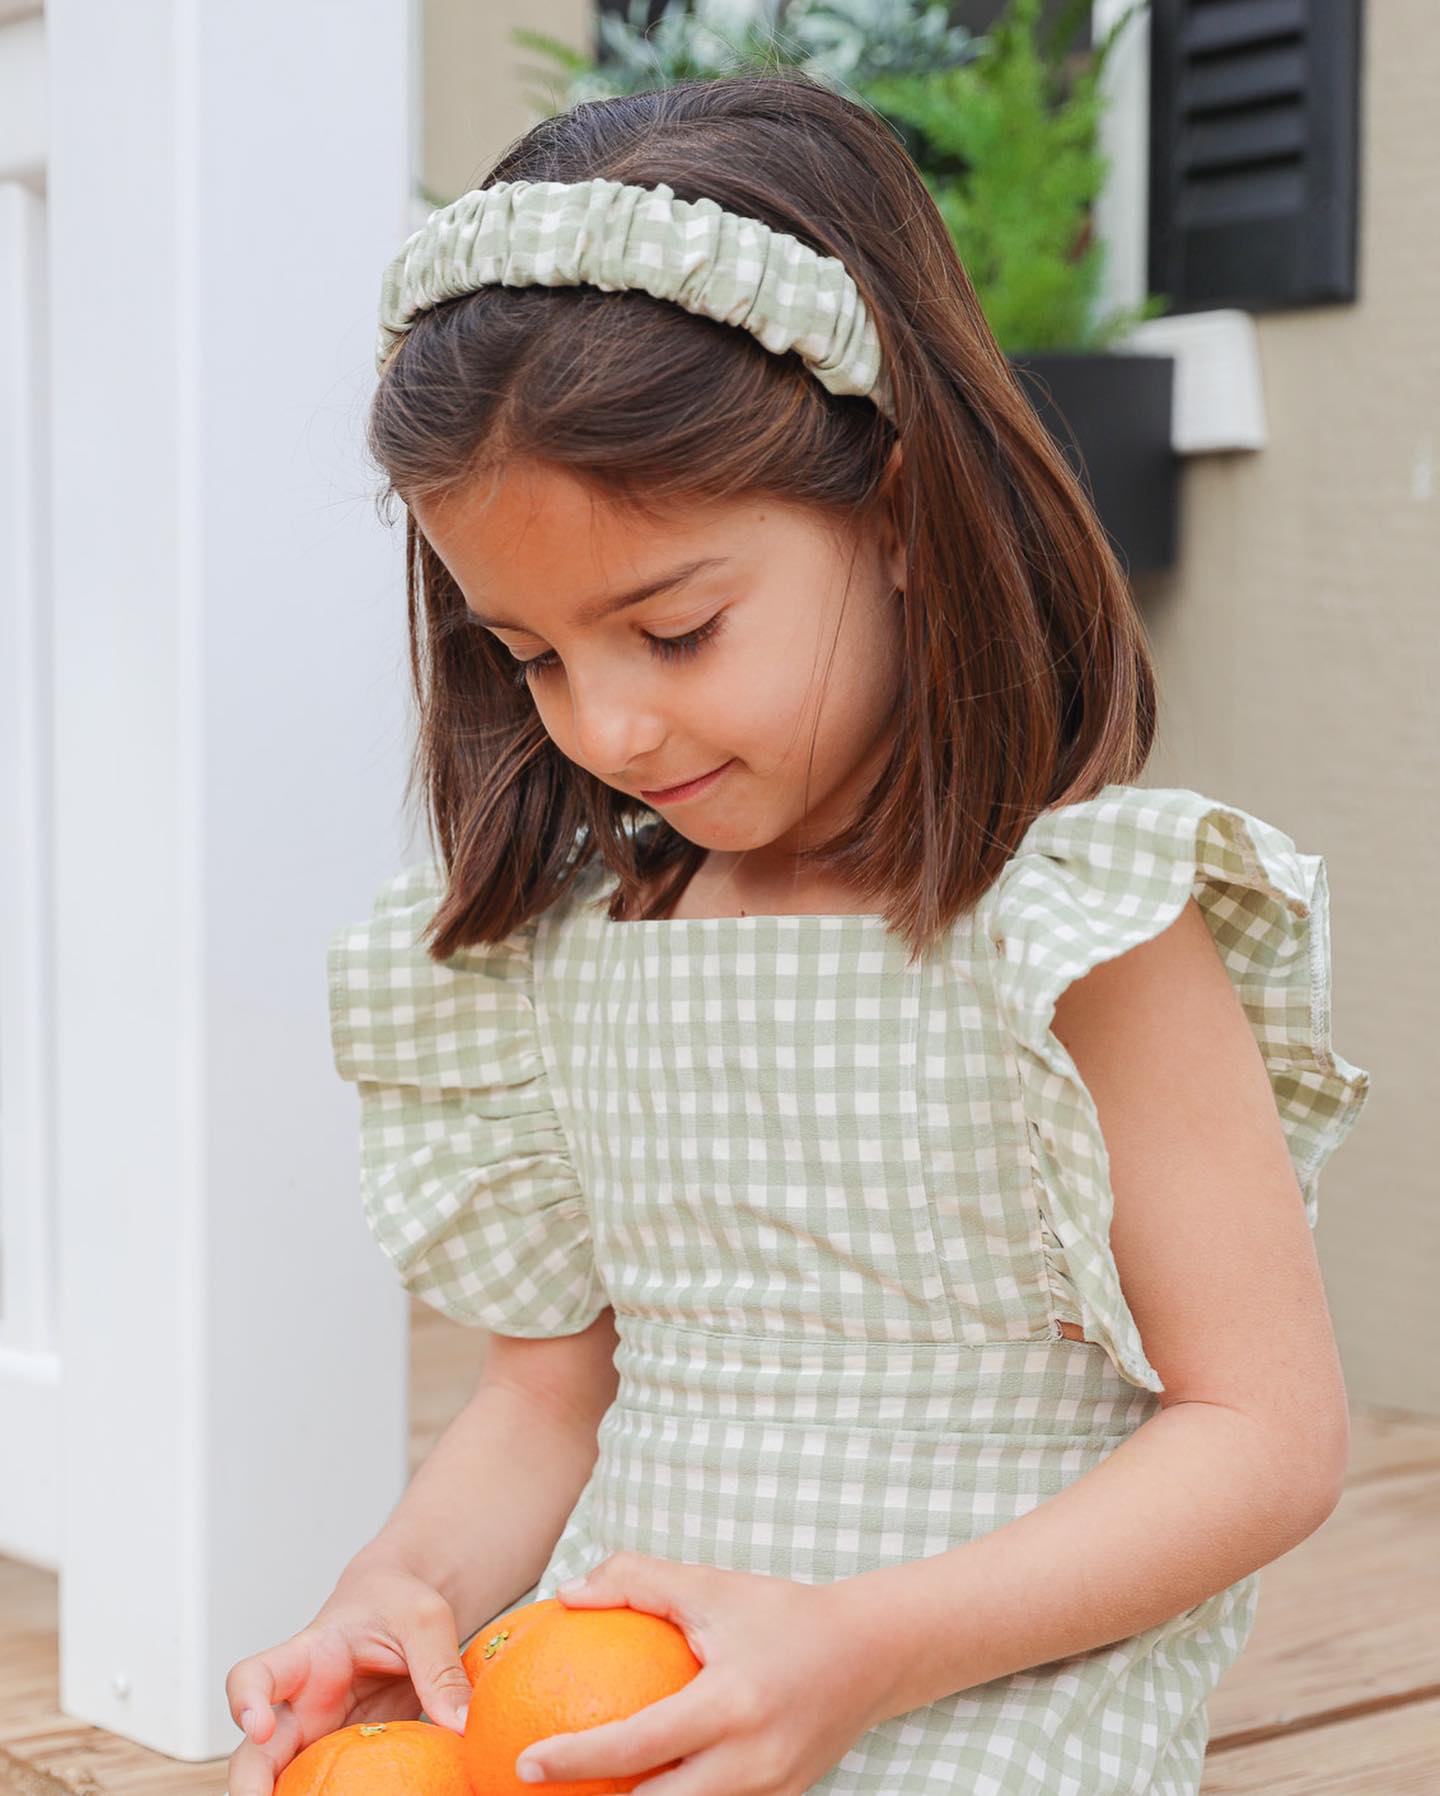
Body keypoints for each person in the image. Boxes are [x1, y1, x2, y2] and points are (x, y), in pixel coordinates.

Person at [224, 71, 1373, 1796]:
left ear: (899, 519)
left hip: (990, 1712)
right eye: (530, 655)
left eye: (673, 631)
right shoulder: (580, 948)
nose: (602, 727)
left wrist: (866, 1651)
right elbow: (545, 1405)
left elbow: (1264, 1439)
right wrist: (411, 1586)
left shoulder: (1078, 934)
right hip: (642, 1719)